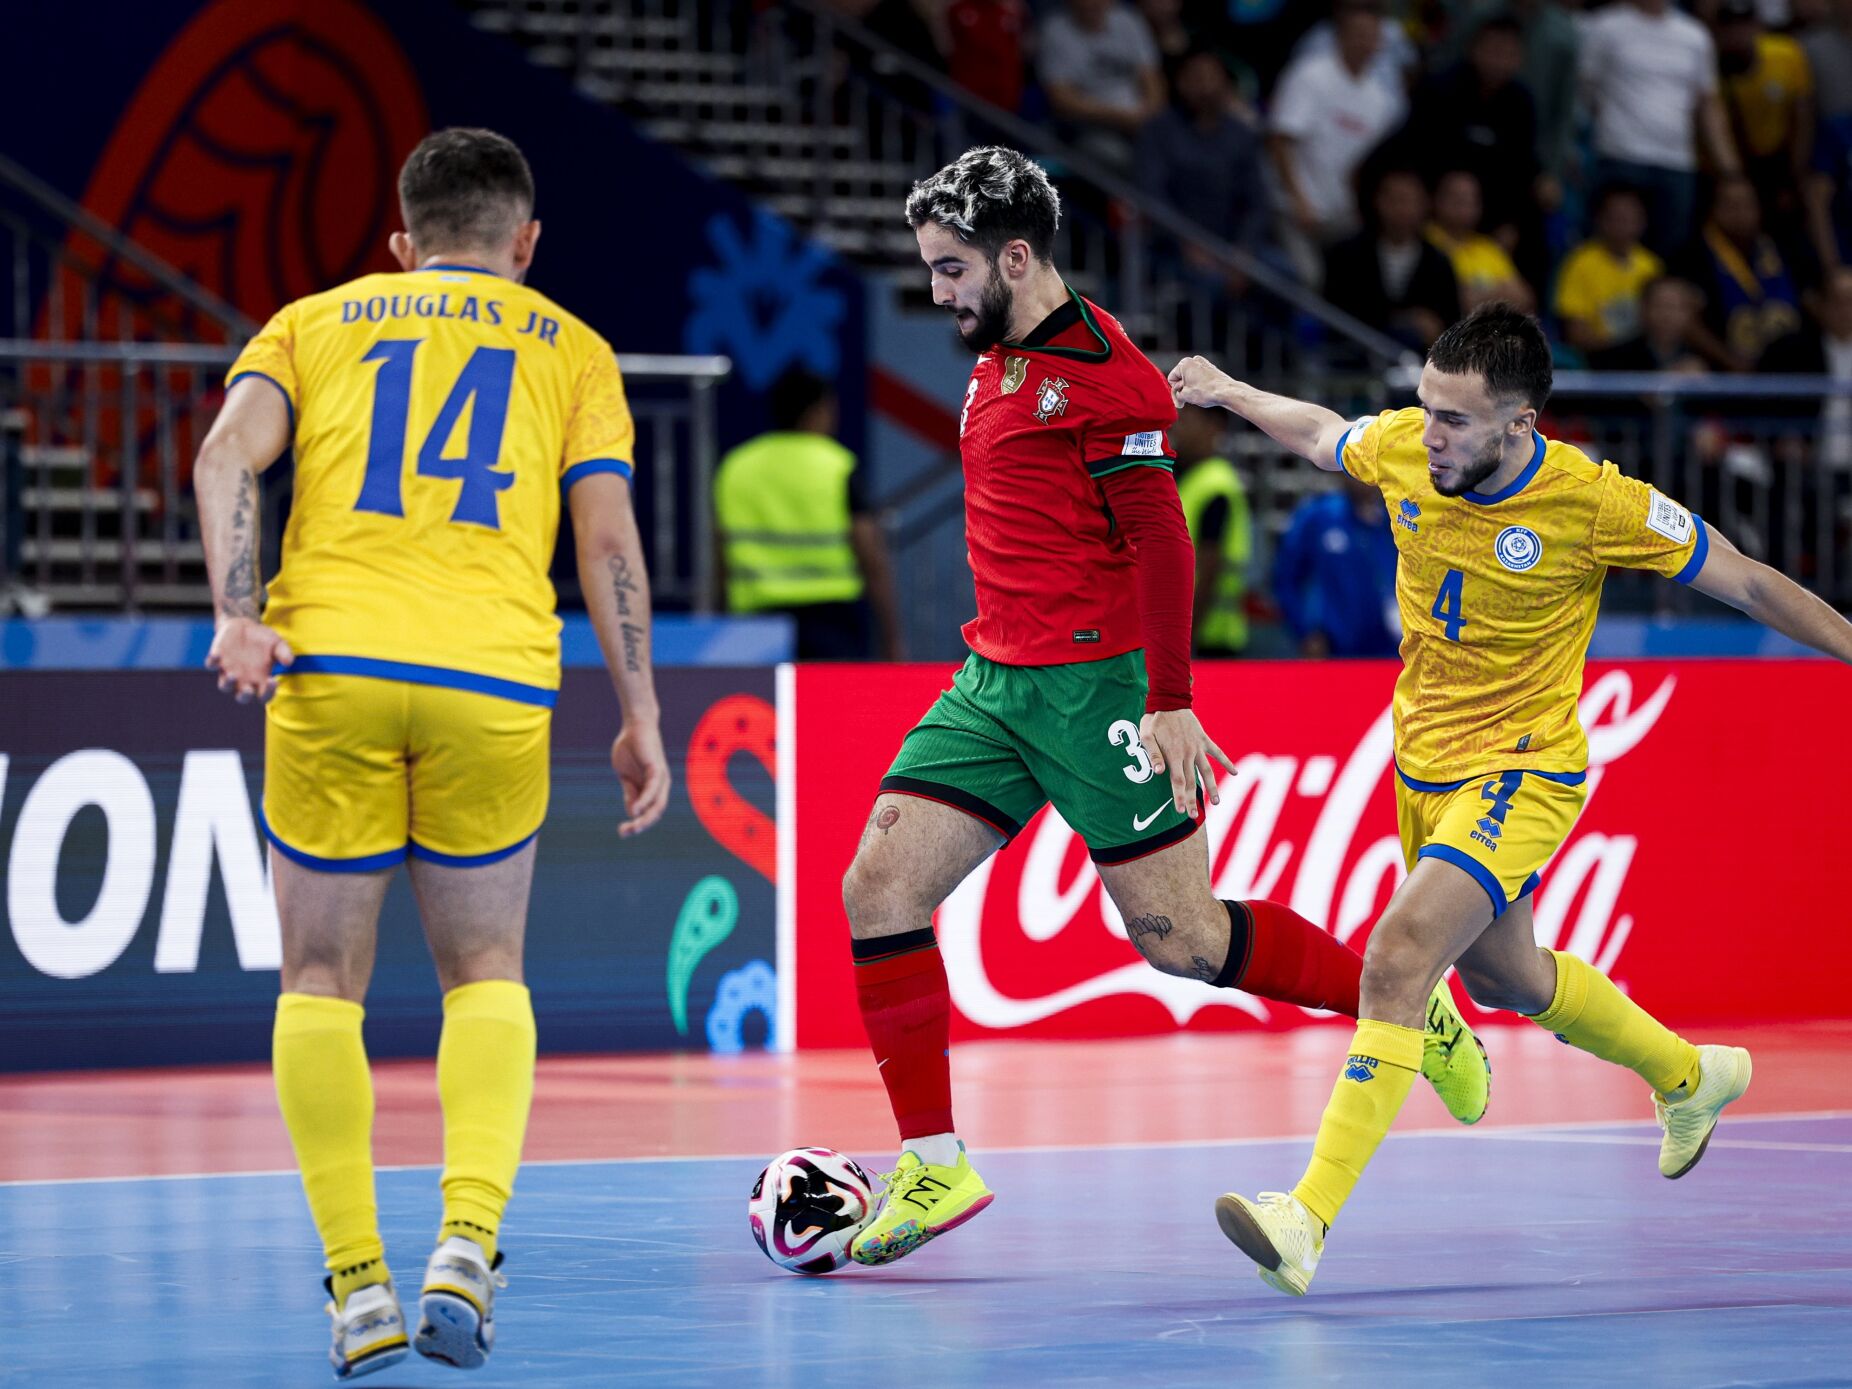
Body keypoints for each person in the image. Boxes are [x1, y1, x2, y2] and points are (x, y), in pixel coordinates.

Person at [840, 146, 1490, 1269]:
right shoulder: (993, 355)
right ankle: (935, 1162)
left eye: (950, 270)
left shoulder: (1104, 375)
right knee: (877, 886)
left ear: (1014, 256)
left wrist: (1171, 700)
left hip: (1098, 690)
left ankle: (1406, 1002)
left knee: (1182, 943)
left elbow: (1161, 539)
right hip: (993, 684)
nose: (937, 291)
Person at [1170, 303, 1852, 1296]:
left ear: (1519, 425)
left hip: (1524, 770)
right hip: (1424, 768)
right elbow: (1322, 434)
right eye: (1424, 408)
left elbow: (1745, 582)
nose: (1429, 432)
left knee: (1400, 956)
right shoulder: (1409, 447)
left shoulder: (1592, 502)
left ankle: (1305, 1217)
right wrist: (1231, 393)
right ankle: (1689, 1077)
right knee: (1507, 980)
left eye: (1452, 418)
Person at [193, 128, 671, 1376]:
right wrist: (642, 717)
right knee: (485, 970)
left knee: (316, 983)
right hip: (491, 679)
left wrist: (237, 613)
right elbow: (607, 541)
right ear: (525, 244)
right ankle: (467, 1240)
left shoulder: (312, 320)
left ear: (400, 242)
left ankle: (357, 1285)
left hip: (332, 667)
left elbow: (222, 456)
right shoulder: (573, 348)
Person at [714, 369, 904, 660]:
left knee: (765, 704)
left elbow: (718, 558)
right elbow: (872, 558)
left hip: (753, 622)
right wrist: (891, 639)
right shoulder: (838, 465)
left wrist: (716, 622)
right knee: (833, 705)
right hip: (830, 621)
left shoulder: (736, 467)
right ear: (817, 411)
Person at [1579, 0, 1742, 257]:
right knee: (1608, 250)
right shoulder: (1606, 28)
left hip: (1676, 162)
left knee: (1670, 253)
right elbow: (1588, 91)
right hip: (1621, 156)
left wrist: (1730, 170)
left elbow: (1707, 105)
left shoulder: (1694, 36)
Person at [1268, 0, 1408, 287]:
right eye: (1358, 33)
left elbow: (1367, 165)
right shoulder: (1310, 75)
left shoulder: (1380, 99)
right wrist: (1298, 199)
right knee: (1309, 280)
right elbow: (1280, 140)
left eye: (1372, 35)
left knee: (1353, 286)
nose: (1365, 41)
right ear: (1340, 34)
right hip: (1294, 210)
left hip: (1342, 218)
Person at [1674, 175, 1804, 371]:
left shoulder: (1782, 247)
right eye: (1731, 204)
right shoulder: (1692, 255)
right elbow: (1686, 321)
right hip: (1724, 373)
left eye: (1747, 204)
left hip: (1786, 370)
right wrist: (1732, 363)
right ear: (1713, 208)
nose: (1740, 212)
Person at [1323, 169, 1462, 350]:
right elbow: (1335, 310)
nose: (1402, 210)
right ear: (1378, 202)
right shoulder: (1346, 253)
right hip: (1355, 353)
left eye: (1409, 201)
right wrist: (1403, 319)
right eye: (1395, 200)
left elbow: (1449, 318)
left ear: (1425, 205)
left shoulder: (1437, 260)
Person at [1271, 474, 1401, 659]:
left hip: (1392, 650)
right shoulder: (1319, 517)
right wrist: (1306, 633)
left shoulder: (1397, 518)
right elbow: (1285, 579)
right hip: (1336, 650)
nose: (1364, 478)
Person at [1038, 0, 1166, 168]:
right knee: (1116, 157)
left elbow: (1152, 78)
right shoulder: (1055, 31)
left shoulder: (1128, 20)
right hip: (1090, 125)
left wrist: (1149, 114)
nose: (1093, 4)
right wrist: (1119, 117)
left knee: (1174, 146)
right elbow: (1062, 100)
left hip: (1140, 119)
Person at [1171, 403, 1252, 657]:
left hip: (1210, 639)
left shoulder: (1215, 485)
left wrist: (1182, 640)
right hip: (1195, 633)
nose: (1176, 428)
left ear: (1214, 427)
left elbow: (1209, 567)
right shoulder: (1191, 480)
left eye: (1186, 421)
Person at [1553, 184, 1664, 355]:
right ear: (1600, 220)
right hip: (1600, 358)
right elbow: (1576, 334)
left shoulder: (1652, 265)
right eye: (1617, 217)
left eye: (1631, 217)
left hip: (1646, 357)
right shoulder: (1579, 264)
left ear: (1643, 221)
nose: (1624, 225)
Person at [1427, 169, 1535, 314]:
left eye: (1472, 200)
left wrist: (1477, 293)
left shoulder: (1487, 246)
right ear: (1437, 200)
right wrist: (1499, 291)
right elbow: (1457, 301)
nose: (1466, 207)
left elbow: (1524, 298)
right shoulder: (1427, 241)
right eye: (1459, 199)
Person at [1587, 275, 1707, 373]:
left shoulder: (1705, 359)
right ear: (1643, 309)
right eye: (1660, 305)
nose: (1667, 316)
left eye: (1676, 307)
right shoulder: (1615, 359)